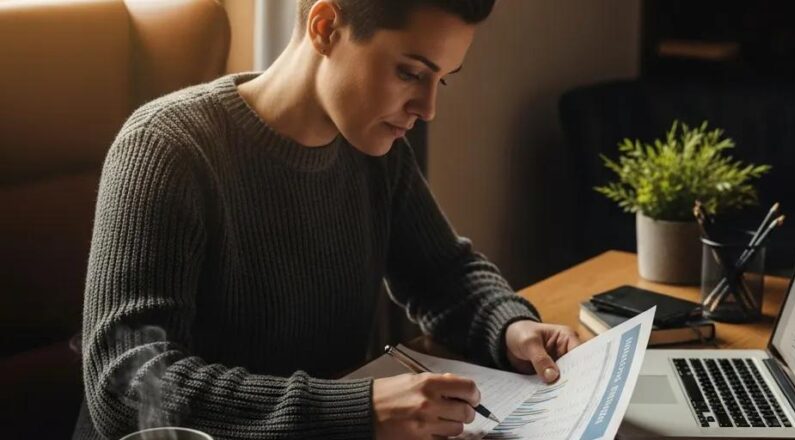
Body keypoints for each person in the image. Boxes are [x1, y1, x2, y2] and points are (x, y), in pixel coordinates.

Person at [74, 1, 581, 439]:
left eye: (441, 79)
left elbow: (442, 273)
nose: (428, 109)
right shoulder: (167, 148)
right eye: (410, 73)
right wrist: (357, 412)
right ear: (325, 28)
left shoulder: (377, 148)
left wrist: (510, 325)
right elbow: (127, 384)